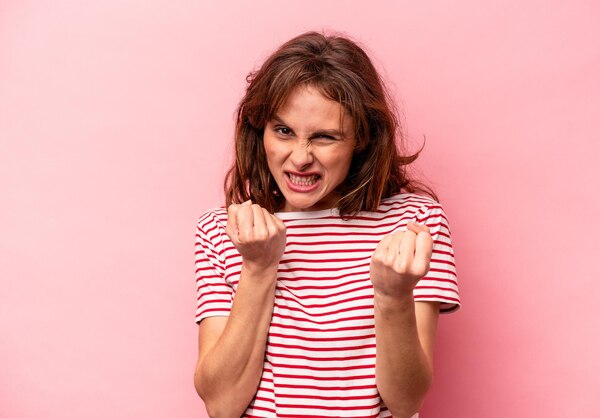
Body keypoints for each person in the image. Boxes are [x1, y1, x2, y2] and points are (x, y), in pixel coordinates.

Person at [193, 31, 460, 418]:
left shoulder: (414, 222)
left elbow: (406, 402)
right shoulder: (223, 231)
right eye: (283, 131)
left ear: (362, 139)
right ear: (260, 131)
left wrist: (393, 296)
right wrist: (258, 266)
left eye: (324, 137)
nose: (300, 157)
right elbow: (220, 405)